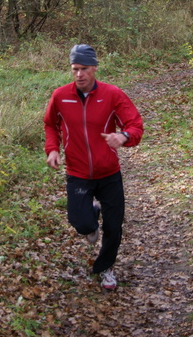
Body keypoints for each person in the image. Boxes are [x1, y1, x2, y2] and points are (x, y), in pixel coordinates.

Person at [43, 44, 144, 290]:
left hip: (109, 173)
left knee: (113, 226)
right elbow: (50, 125)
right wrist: (53, 149)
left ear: (95, 68)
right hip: (77, 173)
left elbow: (136, 125)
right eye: (75, 69)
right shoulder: (60, 96)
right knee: (83, 224)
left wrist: (124, 137)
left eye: (84, 68)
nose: (79, 74)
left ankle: (105, 268)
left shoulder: (112, 94)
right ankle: (92, 211)